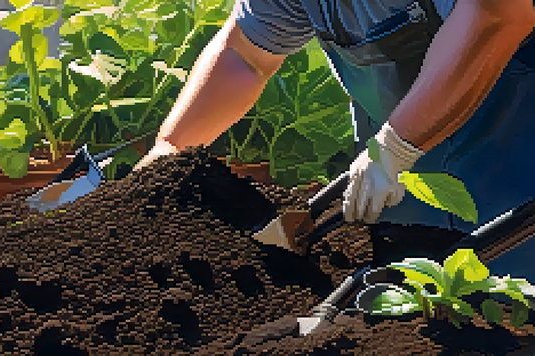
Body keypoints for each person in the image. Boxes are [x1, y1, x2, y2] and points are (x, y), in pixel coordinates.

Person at [134, 0, 535, 278]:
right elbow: (246, 56)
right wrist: (169, 150)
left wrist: (394, 147)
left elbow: (498, 15)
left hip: (518, 176)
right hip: (410, 197)